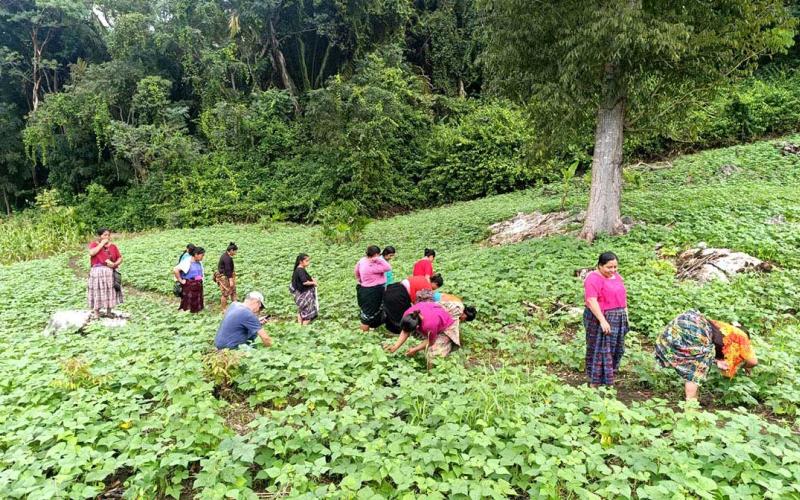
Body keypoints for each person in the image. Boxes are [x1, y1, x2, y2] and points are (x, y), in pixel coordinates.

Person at [655, 310, 758, 401]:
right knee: (695, 372)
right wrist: (745, 366)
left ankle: (692, 400)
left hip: (686, 319)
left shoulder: (723, 328)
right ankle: (691, 405)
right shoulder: (742, 336)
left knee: (677, 348)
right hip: (697, 331)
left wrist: (716, 361)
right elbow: (753, 362)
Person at [583, 251, 629, 387]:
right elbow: (591, 300)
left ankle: (608, 379)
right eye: (609, 267)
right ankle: (594, 383)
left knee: (615, 349)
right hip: (600, 317)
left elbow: (622, 297)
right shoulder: (593, 278)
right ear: (600, 266)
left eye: (615, 267)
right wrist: (602, 320)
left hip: (618, 317)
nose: (613, 270)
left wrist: (626, 316)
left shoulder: (616, 277)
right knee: (600, 350)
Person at [384, 299, 476, 360]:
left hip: (446, 324)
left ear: (417, 328)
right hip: (436, 313)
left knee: (433, 355)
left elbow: (430, 341)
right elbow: (405, 331)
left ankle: (432, 376)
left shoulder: (429, 325)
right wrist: (395, 346)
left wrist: (415, 349)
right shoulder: (408, 314)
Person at [87, 228, 123, 318]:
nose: (107, 237)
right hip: (97, 273)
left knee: (109, 290)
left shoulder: (113, 246)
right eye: (104, 235)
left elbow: (120, 257)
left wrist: (115, 264)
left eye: (108, 235)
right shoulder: (94, 244)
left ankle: (109, 311)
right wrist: (102, 244)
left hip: (109, 272)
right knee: (97, 290)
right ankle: (96, 312)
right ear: (100, 236)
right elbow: (92, 253)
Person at [354, 245, 392, 331]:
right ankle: (363, 334)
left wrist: (360, 280)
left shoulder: (362, 260)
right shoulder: (373, 265)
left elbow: (356, 270)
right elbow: (388, 267)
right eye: (379, 254)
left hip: (364, 289)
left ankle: (369, 330)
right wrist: (378, 259)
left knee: (368, 311)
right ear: (376, 254)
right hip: (374, 291)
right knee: (368, 314)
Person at [174, 246, 206, 313]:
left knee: (198, 300)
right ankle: (188, 313)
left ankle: (197, 312)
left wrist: (201, 280)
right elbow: (176, 270)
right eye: (202, 255)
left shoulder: (199, 262)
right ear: (196, 254)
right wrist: (181, 280)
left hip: (198, 284)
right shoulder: (187, 262)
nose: (203, 257)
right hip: (189, 284)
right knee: (189, 301)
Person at [290, 253, 318, 325]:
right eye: (306, 261)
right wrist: (313, 283)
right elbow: (305, 282)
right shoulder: (300, 270)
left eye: (308, 260)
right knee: (308, 314)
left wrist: (312, 279)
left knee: (301, 310)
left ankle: (299, 326)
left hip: (299, 294)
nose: (308, 262)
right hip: (304, 294)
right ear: (301, 261)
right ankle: (303, 328)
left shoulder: (299, 269)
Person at [214, 242, 238, 311]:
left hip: (227, 276)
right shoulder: (227, 258)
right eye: (235, 251)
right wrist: (231, 280)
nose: (235, 253)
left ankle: (236, 307)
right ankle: (224, 309)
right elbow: (227, 270)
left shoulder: (225, 256)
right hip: (225, 277)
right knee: (225, 294)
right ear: (231, 250)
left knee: (233, 291)